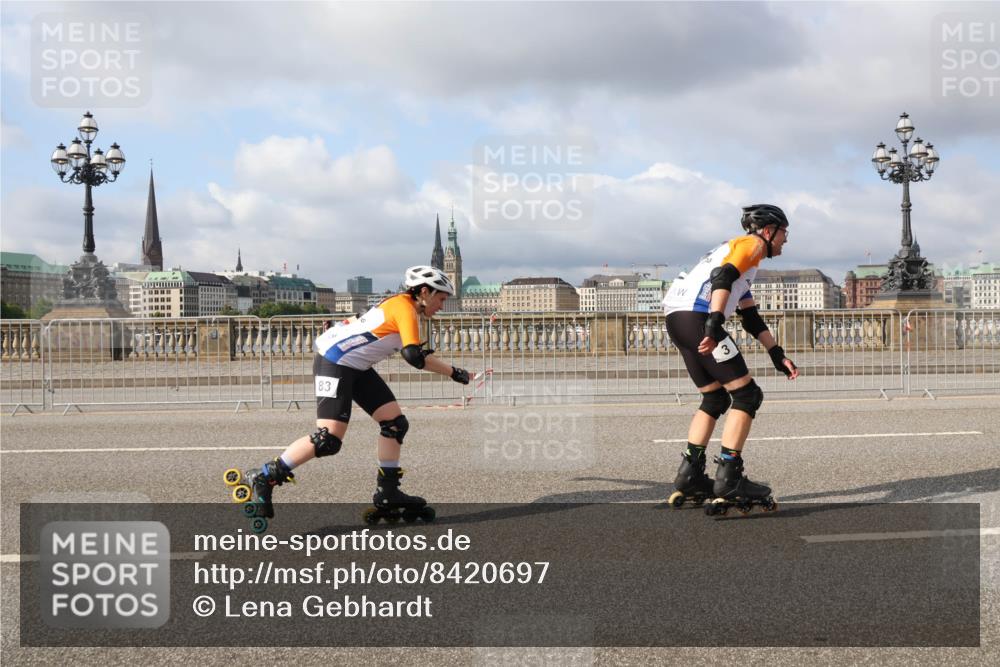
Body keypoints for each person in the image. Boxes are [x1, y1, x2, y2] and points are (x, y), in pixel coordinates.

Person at [225, 265, 470, 530]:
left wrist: (457, 373)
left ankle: (388, 492)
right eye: (442, 298)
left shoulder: (402, 306)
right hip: (335, 362)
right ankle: (264, 476)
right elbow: (413, 357)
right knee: (328, 440)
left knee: (395, 424)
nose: (443, 306)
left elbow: (374, 330)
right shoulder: (405, 308)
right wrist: (456, 374)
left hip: (355, 366)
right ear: (425, 292)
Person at [662, 204, 800, 512]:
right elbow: (721, 278)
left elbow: (750, 316)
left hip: (677, 318)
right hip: (698, 318)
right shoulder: (752, 245)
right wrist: (713, 323)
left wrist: (777, 354)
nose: (785, 241)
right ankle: (729, 476)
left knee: (714, 399)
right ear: (769, 231)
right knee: (747, 395)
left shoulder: (736, 254)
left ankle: (691, 474)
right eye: (784, 233)